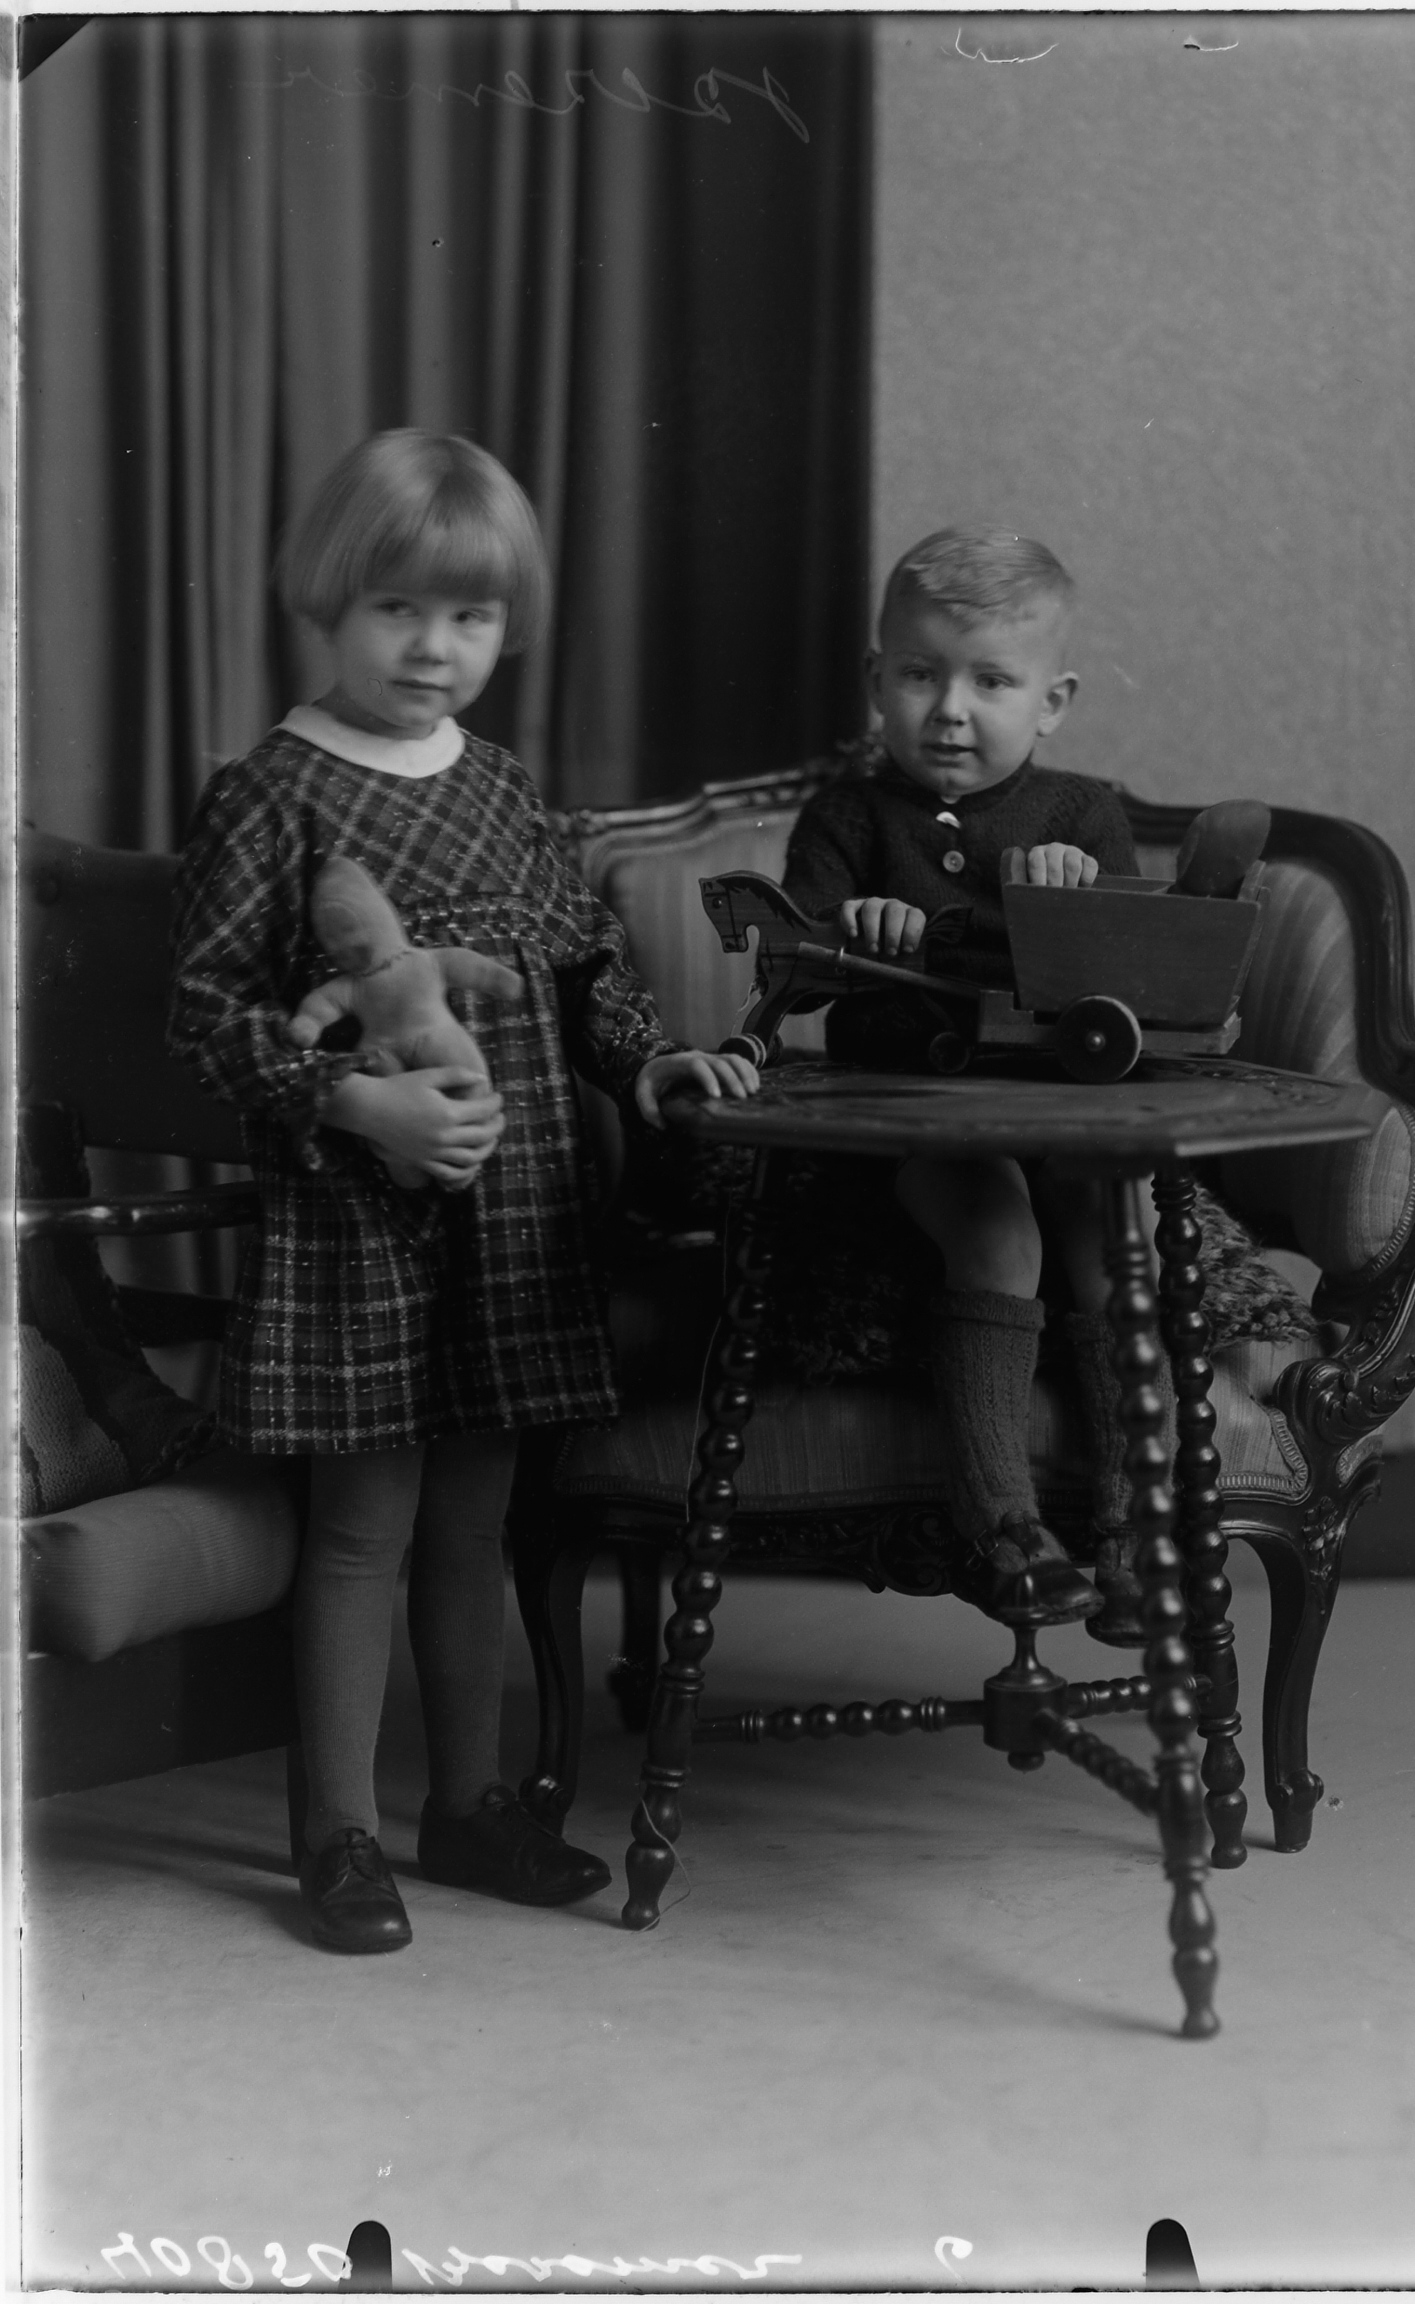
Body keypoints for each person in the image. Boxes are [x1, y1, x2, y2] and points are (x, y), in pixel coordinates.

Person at [169, 430, 757, 1955]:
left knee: (475, 1522)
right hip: (360, 1221)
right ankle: (339, 1833)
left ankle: (470, 1803)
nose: (434, 647)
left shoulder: (500, 787)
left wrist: (650, 1062)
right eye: (398, 609)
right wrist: (353, 1102)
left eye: (470, 616)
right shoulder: (274, 793)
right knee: (362, 1528)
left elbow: (583, 971)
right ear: (328, 601)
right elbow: (208, 1016)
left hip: (511, 1219)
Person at [780, 528, 1183, 1632]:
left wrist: (1076, 896)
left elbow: (1131, 993)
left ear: (1052, 703)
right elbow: (790, 964)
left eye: (991, 683)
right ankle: (1004, 1528)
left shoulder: (1080, 817)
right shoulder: (849, 818)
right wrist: (847, 928)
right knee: (998, 1228)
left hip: (1057, 1115)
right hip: (907, 1124)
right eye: (920, 675)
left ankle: (1135, 1530)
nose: (950, 711)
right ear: (877, 680)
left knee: (1111, 1234)